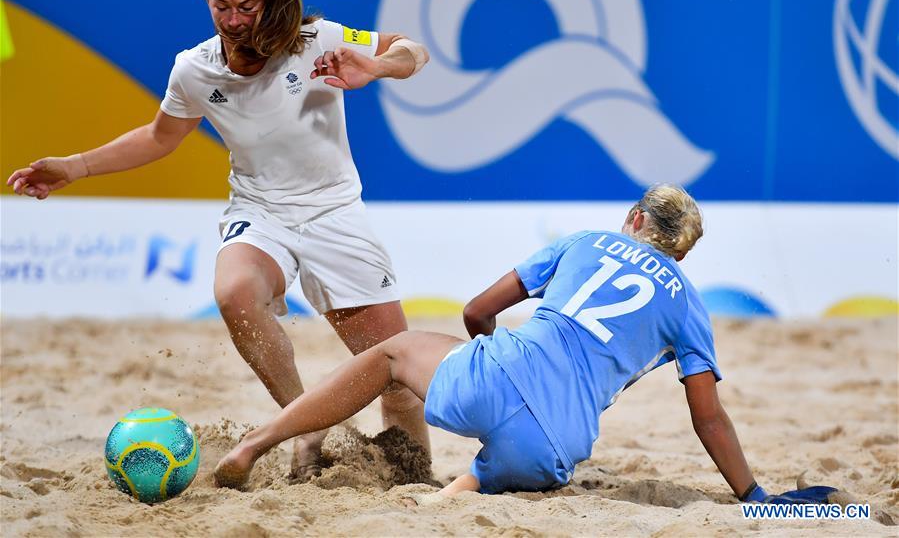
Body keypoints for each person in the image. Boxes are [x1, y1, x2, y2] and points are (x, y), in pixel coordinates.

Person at [6, 0, 431, 478]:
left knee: (398, 379)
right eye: (221, 6)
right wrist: (75, 166)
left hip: (334, 214)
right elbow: (161, 136)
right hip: (260, 212)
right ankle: (306, 424)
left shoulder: (314, 38)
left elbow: (413, 51)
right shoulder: (194, 69)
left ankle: (416, 476)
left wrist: (377, 68)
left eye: (247, 8)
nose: (233, 20)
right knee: (235, 294)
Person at [212, 184, 837, 505]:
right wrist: (753, 497)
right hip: (560, 445)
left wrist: (484, 361)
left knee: (392, 353)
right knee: (484, 480)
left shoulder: (586, 240)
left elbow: (477, 310)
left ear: (637, 219)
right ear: (681, 252)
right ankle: (467, 487)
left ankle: (256, 446)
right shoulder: (691, 305)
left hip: (497, 375)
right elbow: (708, 417)